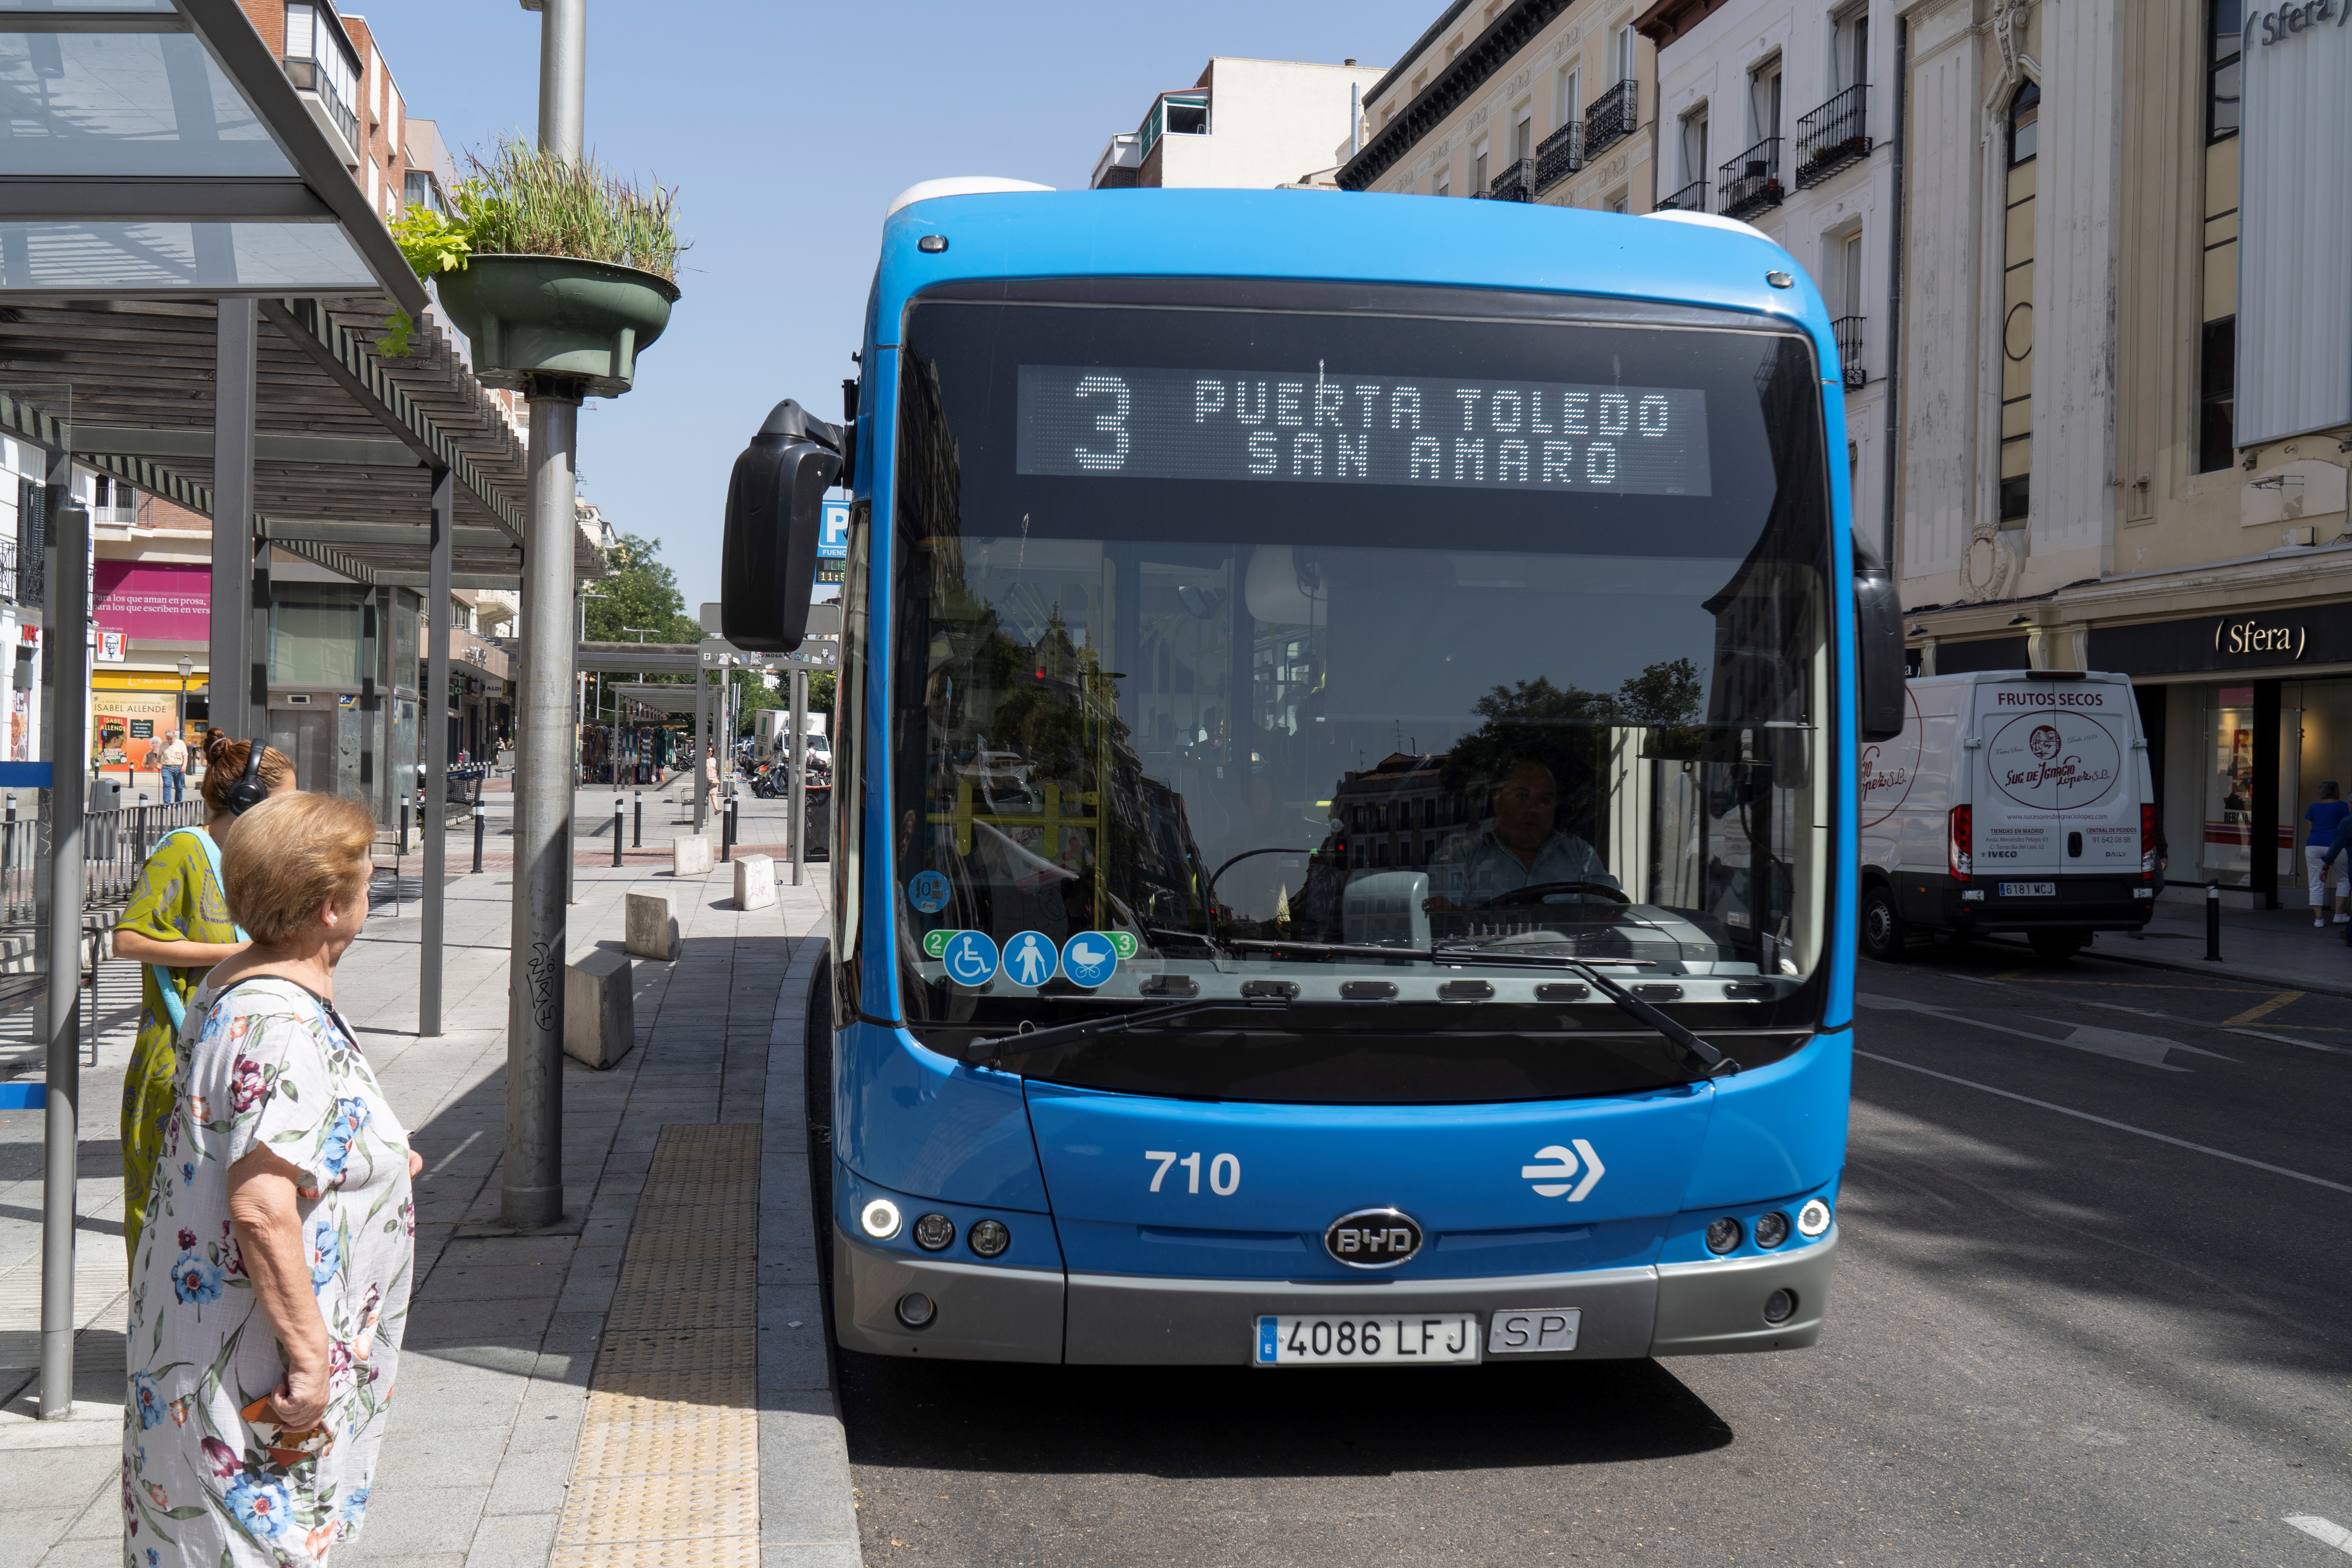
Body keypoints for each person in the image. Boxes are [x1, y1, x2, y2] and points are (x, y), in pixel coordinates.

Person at [123, 791, 418, 1564]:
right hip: (256, 1370)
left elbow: (265, 1135)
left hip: (218, 1360)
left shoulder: (240, 981)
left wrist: (377, 1161)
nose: (369, 890)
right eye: (362, 878)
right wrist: (312, 1360)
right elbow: (259, 1205)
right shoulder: (277, 1021)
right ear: (329, 906)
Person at [112, 733, 297, 1261]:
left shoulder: (254, 862)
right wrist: (234, 953)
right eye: (282, 804)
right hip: (175, 1054)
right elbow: (127, 939)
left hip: (231, 1054)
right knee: (162, 1211)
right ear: (248, 801)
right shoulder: (184, 851)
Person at [1425, 758, 1619, 911]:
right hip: (1484, 960)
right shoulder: (1461, 851)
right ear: (1499, 802)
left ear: (1554, 809)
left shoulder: (1579, 852)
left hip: (1565, 960)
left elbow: (1609, 911)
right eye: (1522, 797)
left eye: (1545, 801)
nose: (1533, 809)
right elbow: (1443, 917)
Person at [2305, 781, 2349, 927]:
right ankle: (2338, 915)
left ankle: (2319, 919)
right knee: (2344, 879)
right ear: (2337, 792)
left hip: (2313, 845)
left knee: (2315, 883)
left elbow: (2311, 827)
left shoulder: (2314, 806)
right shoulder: (2343, 806)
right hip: (2337, 846)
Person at [158, 728, 189, 804]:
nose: (169, 741)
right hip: (167, 768)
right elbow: (159, 755)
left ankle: (178, 803)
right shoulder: (163, 745)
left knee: (179, 787)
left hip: (179, 768)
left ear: (174, 737)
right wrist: (158, 764)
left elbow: (185, 755)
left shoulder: (181, 743)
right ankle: (166, 803)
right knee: (167, 785)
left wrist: (184, 766)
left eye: (171, 739)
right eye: (168, 739)